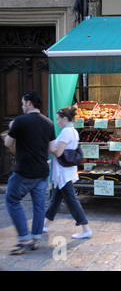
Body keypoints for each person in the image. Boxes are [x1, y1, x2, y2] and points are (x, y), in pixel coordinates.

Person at [4, 91, 56, 255]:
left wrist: (12, 128)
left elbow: (8, 142)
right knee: (39, 206)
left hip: (24, 171)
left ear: (28, 103)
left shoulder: (20, 121)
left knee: (12, 199)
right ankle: (35, 239)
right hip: (42, 171)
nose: (21, 106)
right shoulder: (48, 123)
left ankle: (24, 238)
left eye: (22, 103)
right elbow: (52, 149)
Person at [43, 106, 92, 239]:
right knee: (56, 199)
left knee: (71, 200)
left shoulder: (66, 132)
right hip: (65, 171)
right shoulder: (73, 131)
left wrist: (47, 146)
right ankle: (45, 225)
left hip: (63, 172)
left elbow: (58, 152)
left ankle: (85, 228)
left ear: (65, 119)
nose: (57, 122)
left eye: (59, 119)